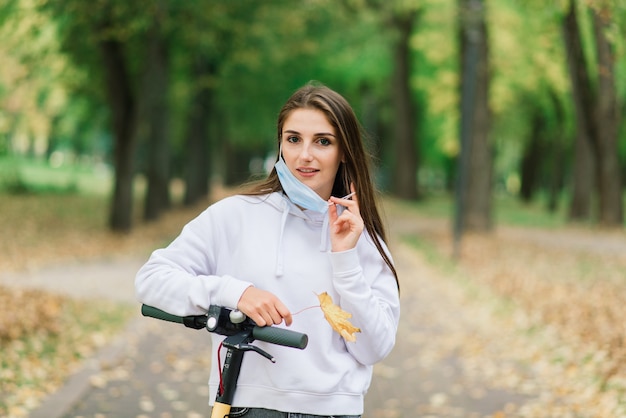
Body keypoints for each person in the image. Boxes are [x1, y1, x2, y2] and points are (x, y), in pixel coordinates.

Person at [135, 82, 400, 418]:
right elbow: (151, 279)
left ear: (343, 151)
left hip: (334, 411)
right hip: (245, 405)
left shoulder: (364, 238)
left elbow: (374, 348)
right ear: (280, 145)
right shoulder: (234, 215)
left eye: (323, 141)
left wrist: (345, 258)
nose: (305, 155)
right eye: (293, 139)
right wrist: (236, 292)